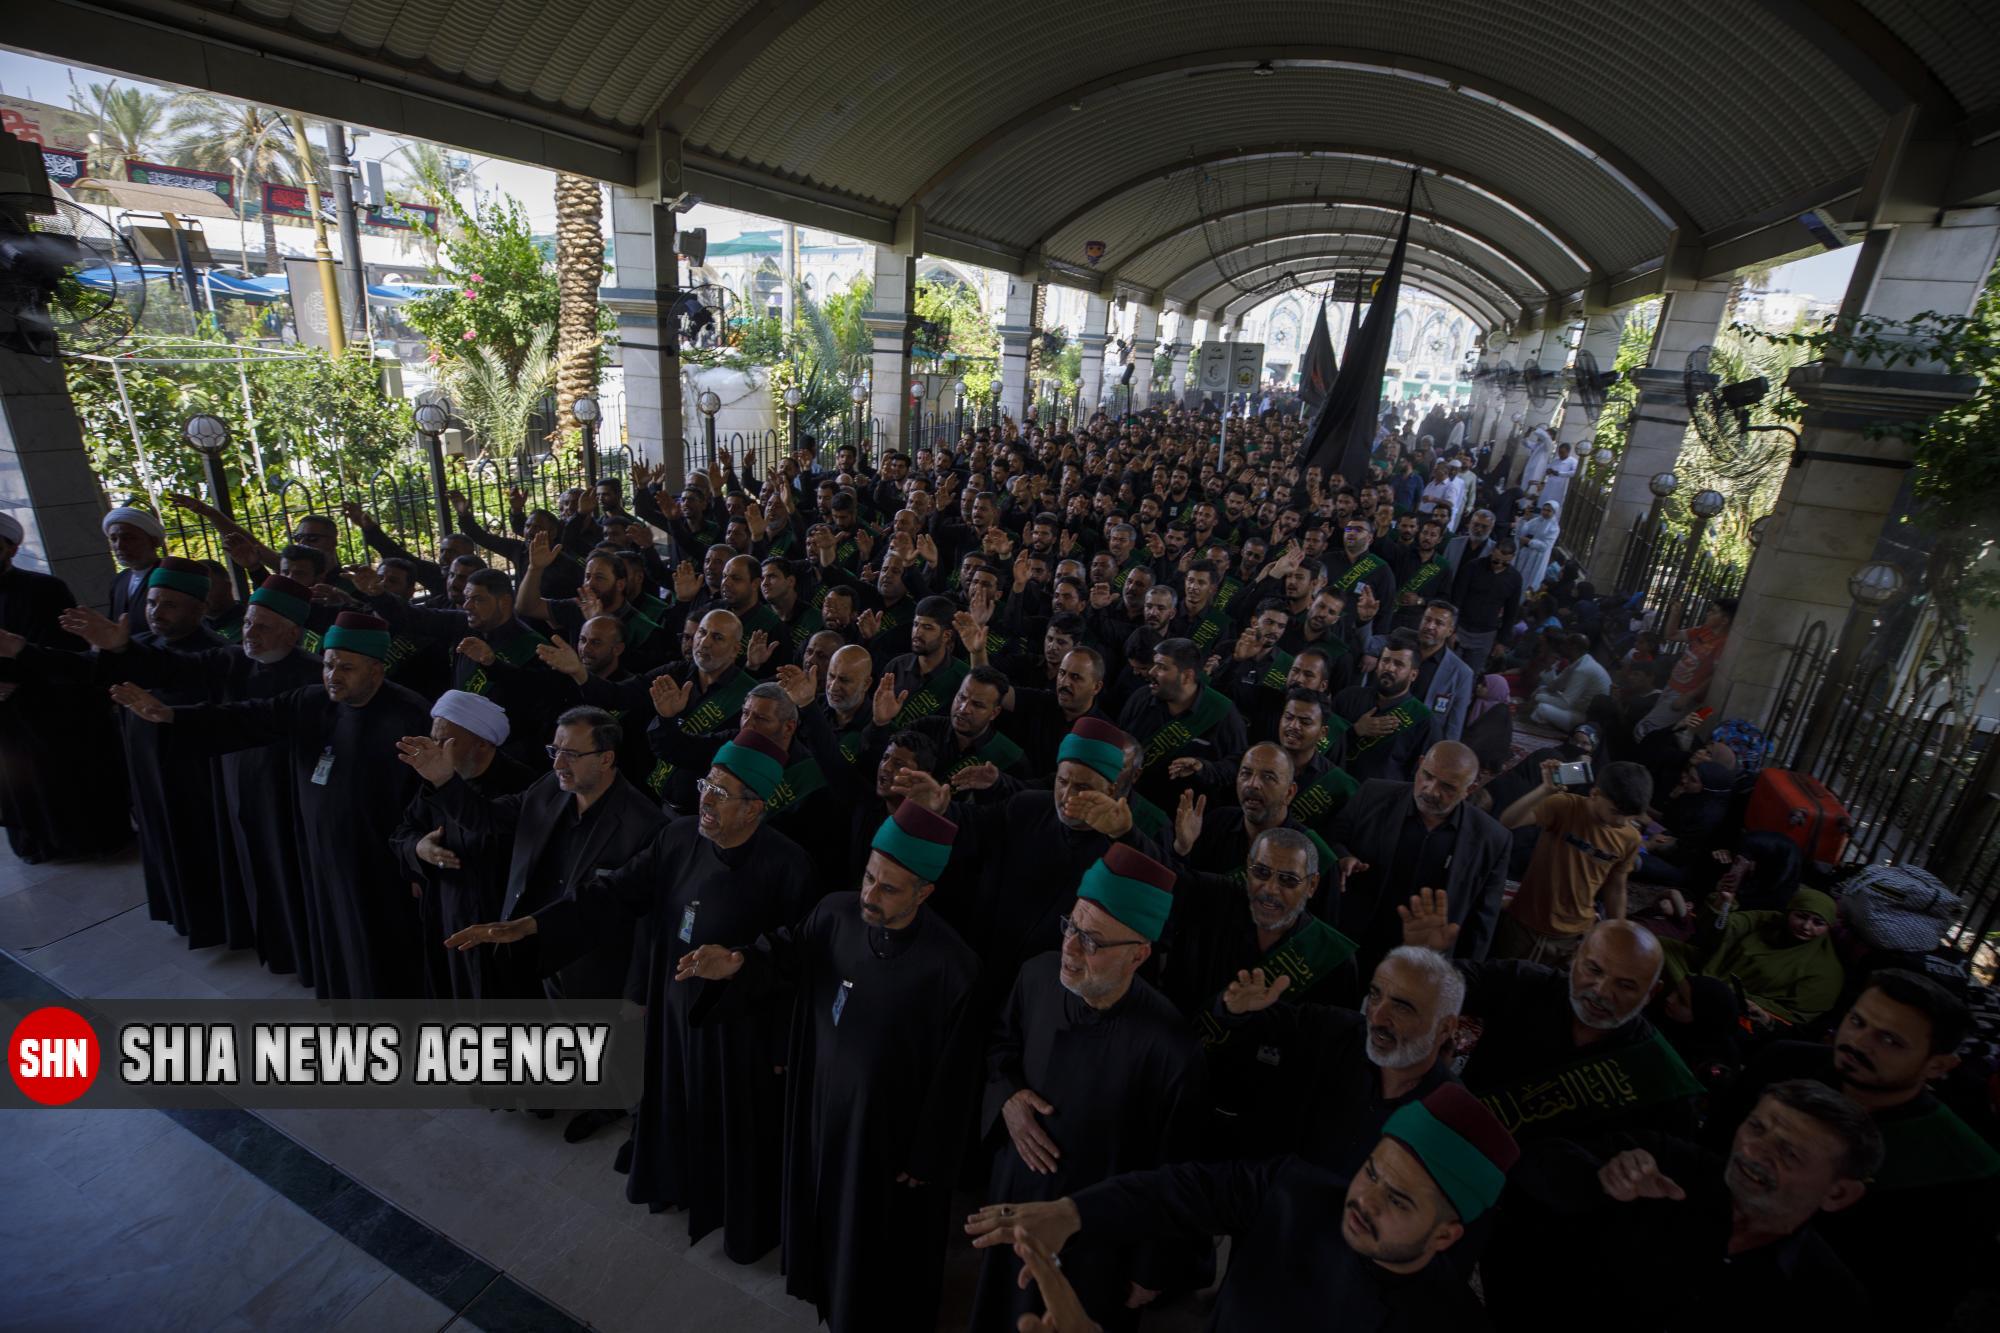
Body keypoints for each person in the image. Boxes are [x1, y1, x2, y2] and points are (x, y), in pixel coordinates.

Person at [443, 728, 814, 1256]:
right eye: (707, 783)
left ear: (755, 808)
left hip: (734, 1032)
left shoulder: (788, 866)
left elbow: (793, 955)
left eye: (723, 793)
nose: (704, 799)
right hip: (671, 1006)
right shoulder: (677, 836)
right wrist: (533, 925)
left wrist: (739, 963)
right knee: (671, 1103)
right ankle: (673, 1185)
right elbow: (611, 893)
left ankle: (728, 1211)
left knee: (727, 1125)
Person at [675, 800, 981, 1332]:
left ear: (924, 893)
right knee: (820, 1208)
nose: (869, 895)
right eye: (868, 877)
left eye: (887, 889)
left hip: (881, 1133)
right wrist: (739, 960)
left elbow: (955, 1080)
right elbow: (788, 952)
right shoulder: (835, 912)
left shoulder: (953, 968)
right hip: (819, 1101)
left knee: (871, 1239)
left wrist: (926, 1154)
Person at [966, 1083, 1520, 1332]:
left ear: (1446, 1236)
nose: (1363, 1199)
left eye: (1396, 1199)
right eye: (1370, 1170)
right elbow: (1182, 1192)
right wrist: (1074, 1213)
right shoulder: (1299, 1192)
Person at [110, 612, 434, 998]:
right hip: (320, 851)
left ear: (377, 671)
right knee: (337, 934)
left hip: (378, 859)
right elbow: (246, 718)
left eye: (347, 667)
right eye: (329, 664)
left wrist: (417, 868)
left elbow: (427, 796)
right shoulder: (311, 701)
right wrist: (172, 716)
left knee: (382, 940)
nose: (333, 675)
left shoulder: (408, 714)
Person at [970, 845, 1205, 1332]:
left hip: (1098, 1241)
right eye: (1071, 927)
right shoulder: (1036, 977)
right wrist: (1009, 1099)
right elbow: (998, 1050)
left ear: (1138, 954)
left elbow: (1175, 1172)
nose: (1071, 949)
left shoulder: (1169, 1048)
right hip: (1015, 1203)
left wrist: (1148, 1270)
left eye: (1092, 941)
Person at [47, 576, 323, 974]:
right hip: (238, 791)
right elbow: (171, 665)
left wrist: (178, 717)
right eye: (247, 623)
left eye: (262, 626)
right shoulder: (231, 659)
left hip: (288, 798)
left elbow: (257, 718)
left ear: (292, 632)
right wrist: (120, 647)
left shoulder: (314, 675)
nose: (250, 633)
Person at [1704, 970, 2000, 1328]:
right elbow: (1709, 1154)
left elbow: (1918, 1299)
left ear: (1938, 1065)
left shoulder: (1962, 1166)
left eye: (1890, 1040)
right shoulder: (1783, 1064)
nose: (1859, 1042)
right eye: (1857, 1021)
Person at [1491, 1080, 1880, 1332]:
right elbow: (1534, 1165)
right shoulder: (1666, 1161)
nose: (1752, 1151)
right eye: (1757, 1128)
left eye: (1789, 1152)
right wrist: (1598, 1180)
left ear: (1838, 1194)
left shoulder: (1833, 1305)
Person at [1212, 936, 1466, 1176]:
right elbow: (1270, 1022)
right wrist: (1235, 1009)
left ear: (1445, 1027)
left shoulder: (1452, 1118)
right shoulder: (1337, 1031)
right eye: (1375, 995)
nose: (1377, 1017)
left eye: (1401, 1007)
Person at [1458, 920, 1701, 1143]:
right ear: (1575, 957)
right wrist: (1426, 954)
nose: (1602, 992)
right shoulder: (1525, 984)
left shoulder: (1662, 1079)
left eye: (1625, 985)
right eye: (1594, 970)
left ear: (1651, 994)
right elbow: (1444, 983)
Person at [389, 690, 537, 1000]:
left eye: (446, 742)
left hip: (495, 919)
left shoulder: (521, 785)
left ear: (482, 744)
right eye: (434, 739)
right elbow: (404, 830)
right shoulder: (438, 775)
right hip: (446, 910)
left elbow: (485, 825)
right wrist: (419, 849)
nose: (436, 750)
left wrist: (445, 782)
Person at [0, 512, 130, 863]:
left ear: (11, 548)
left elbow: (69, 654)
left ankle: (88, 842)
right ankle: (34, 843)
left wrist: (17, 680)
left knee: (67, 781)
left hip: (50, 709)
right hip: (7, 718)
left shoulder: (45, 590)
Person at [1324, 742, 1511, 966]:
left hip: (1425, 961)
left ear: (1470, 789)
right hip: (1353, 942)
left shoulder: (1492, 839)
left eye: (1448, 787)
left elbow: (1482, 922)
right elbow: (1331, 839)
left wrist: (1464, 977)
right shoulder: (1373, 794)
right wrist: (1343, 857)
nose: (1431, 790)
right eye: (1427, 776)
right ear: (1420, 764)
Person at [1494, 757, 1651, 963]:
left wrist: (1616, 932)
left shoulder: (1630, 838)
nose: (1621, 822)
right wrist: (1545, 791)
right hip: (1526, 921)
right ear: (1595, 794)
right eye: (1616, 812)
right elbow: (1508, 821)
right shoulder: (1565, 806)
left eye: (1630, 817)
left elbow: (1616, 886)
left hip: (1574, 932)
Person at [1668, 887, 1845, 1029]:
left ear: (1828, 927)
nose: (1807, 926)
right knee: (1660, 947)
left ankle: (1685, 994)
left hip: (1737, 1002)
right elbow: (1730, 926)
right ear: (1788, 912)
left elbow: (1797, 1013)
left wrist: (1758, 1009)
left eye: (1818, 923)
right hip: (1711, 966)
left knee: (1702, 1003)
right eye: (1801, 916)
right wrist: (1722, 906)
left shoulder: (1826, 971)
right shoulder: (1768, 920)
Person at [1331, 631, 1431, 784]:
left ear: (1413, 675)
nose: (1389, 668)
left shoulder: (1423, 720)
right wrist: (1355, 731)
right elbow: (1320, 743)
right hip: (1332, 788)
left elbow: (1418, 777)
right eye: (1385, 661)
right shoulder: (1347, 697)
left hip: (1379, 802)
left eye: (1399, 664)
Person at [1634, 599, 1736, 738]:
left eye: (1713, 612)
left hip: (1684, 695)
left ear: (1724, 620)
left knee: (1644, 730)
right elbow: (1671, 635)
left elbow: (1716, 675)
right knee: (1655, 731)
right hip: (1672, 687)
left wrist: (1688, 696)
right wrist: (1675, 615)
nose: (1708, 613)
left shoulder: (1723, 643)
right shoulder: (1703, 630)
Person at [1527, 632, 1610, 732]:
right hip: (1575, 707)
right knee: (1542, 690)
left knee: (1542, 708)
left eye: (1565, 645)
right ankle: (1543, 723)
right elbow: (1553, 687)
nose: (1561, 647)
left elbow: (1565, 704)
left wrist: (1537, 698)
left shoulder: (1583, 669)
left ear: (1573, 647)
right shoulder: (1578, 662)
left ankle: (1542, 729)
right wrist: (1550, 667)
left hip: (1584, 718)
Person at [102, 505, 166, 633]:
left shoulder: (168, 575)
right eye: (114, 539)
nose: (119, 545)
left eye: (128, 538)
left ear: (153, 541)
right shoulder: (120, 580)